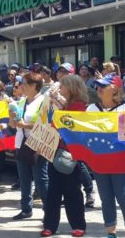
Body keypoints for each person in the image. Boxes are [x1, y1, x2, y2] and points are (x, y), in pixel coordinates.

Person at [86, 73, 125, 238]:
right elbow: (85, 134)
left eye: (103, 86)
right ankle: (111, 233)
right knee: (106, 198)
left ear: (115, 89)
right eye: (98, 85)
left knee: (123, 196)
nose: (99, 88)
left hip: (120, 161)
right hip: (100, 161)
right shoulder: (91, 109)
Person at [41, 75, 87, 237]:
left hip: (71, 153)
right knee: (53, 191)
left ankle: (78, 225)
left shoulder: (79, 106)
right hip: (57, 151)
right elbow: (54, 125)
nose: (60, 89)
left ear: (71, 87)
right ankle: (50, 226)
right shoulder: (65, 105)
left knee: (72, 191)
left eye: (63, 86)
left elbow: (71, 129)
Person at [9, 73, 48, 220]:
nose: (21, 86)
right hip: (21, 143)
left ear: (33, 85)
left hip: (38, 144)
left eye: (24, 83)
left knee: (41, 179)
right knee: (24, 179)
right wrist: (11, 118)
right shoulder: (21, 102)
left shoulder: (44, 101)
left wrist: (25, 125)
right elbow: (13, 124)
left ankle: (48, 209)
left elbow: (46, 124)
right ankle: (26, 209)